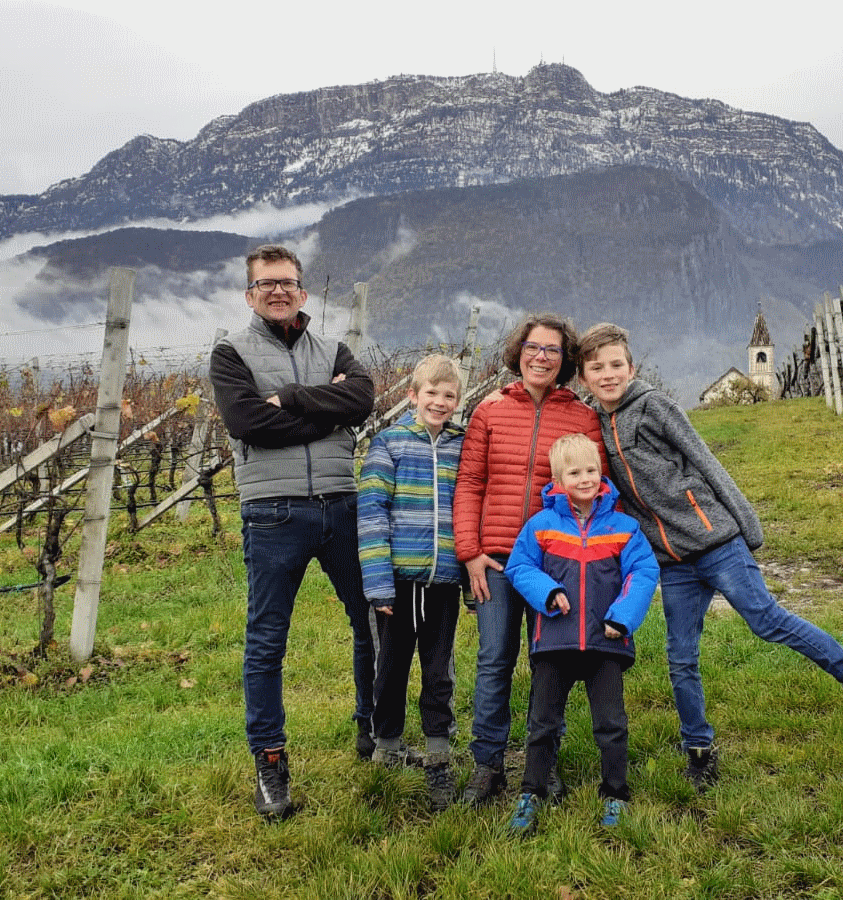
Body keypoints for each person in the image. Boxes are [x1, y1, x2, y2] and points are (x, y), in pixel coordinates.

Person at [575, 322, 843, 791]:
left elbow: (706, 460)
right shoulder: (596, 422)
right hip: (672, 560)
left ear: (631, 367)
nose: (608, 375)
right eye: (597, 368)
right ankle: (699, 749)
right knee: (681, 656)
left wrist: (747, 527)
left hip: (715, 540)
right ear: (584, 377)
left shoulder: (654, 406)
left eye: (616, 365)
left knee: (767, 620)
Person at [210, 243, 377, 820]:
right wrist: (326, 410)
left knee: (373, 620)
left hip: (341, 504)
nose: (277, 291)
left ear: (302, 292)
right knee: (267, 642)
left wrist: (297, 400)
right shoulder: (231, 352)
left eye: (287, 282)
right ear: (250, 293)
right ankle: (271, 763)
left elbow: (363, 397)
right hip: (272, 511)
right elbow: (248, 421)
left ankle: (372, 727)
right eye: (266, 284)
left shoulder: (334, 347)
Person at [453, 313, 607, 806]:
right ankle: (487, 765)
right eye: (533, 347)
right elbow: (471, 483)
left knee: (550, 663)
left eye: (553, 350)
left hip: (556, 562)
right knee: (494, 658)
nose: (541, 357)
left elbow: (596, 489)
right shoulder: (490, 411)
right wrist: (470, 553)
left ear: (566, 361)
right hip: (496, 559)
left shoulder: (581, 417)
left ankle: (545, 763)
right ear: (519, 351)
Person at [502, 434, 658, 833]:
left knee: (611, 723)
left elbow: (644, 573)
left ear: (600, 472)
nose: (585, 478)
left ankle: (615, 794)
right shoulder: (541, 526)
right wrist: (548, 593)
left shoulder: (624, 528)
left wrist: (622, 617)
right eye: (575, 472)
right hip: (554, 640)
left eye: (591, 470)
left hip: (607, 641)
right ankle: (531, 793)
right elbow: (519, 568)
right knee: (543, 721)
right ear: (558, 479)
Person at [356, 354, 467, 812]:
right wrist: (379, 582)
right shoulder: (389, 445)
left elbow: (469, 512)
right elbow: (371, 515)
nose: (440, 402)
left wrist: (466, 573)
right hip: (398, 583)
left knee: (439, 668)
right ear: (412, 395)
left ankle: (439, 752)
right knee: (392, 667)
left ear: (458, 401)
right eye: (432, 394)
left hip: (443, 582)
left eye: (449, 396)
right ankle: (388, 744)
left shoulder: (462, 447)